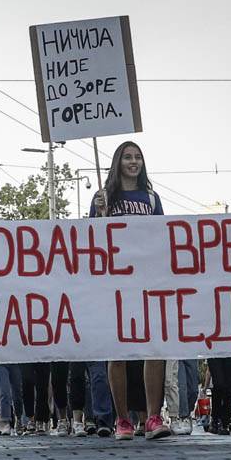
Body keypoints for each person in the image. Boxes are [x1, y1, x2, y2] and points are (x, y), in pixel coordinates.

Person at [91, 142, 171, 441]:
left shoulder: (151, 198)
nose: (133, 162)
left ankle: (152, 417)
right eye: (128, 157)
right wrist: (100, 213)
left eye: (138, 157)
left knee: (154, 346)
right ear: (117, 162)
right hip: (115, 281)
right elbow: (92, 240)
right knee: (118, 349)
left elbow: (163, 235)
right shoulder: (104, 197)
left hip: (147, 278)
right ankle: (122, 420)